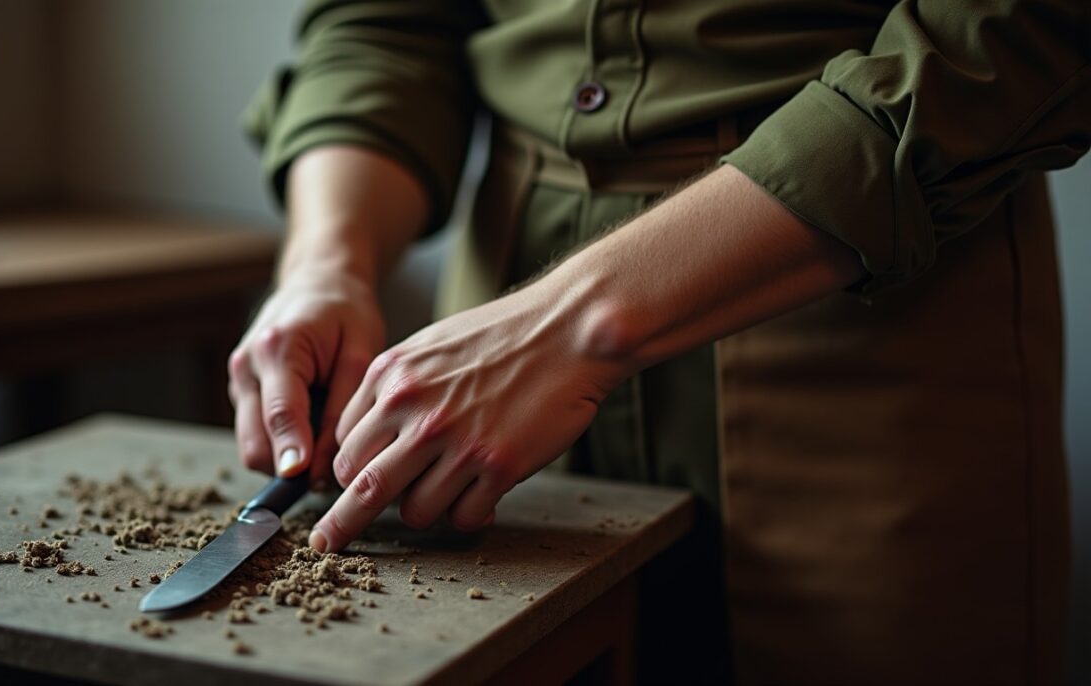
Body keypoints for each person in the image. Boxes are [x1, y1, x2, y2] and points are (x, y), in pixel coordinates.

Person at [235, 2, 1090, 683]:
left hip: (867, 325)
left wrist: (570, 321)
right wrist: (328, 262)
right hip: (490, 333)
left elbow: (1017, 25)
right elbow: (388, 22)